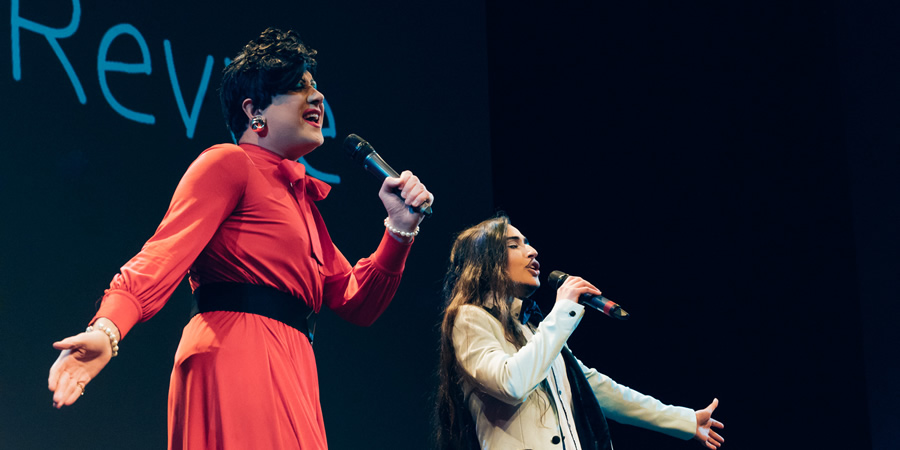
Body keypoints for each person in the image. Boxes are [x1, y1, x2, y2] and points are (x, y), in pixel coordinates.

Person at [47, 27, 433, 449]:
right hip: (237, 353)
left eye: (316, 86)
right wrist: (107, 330)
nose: (317, 97)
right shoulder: (230, 163)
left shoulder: (301, 201)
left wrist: (400, 229)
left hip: (293, 363)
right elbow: (161, 256)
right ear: (254, 111)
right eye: (299, 87)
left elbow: (358, 302)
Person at [435, 216, 723, 450]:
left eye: (528, 243)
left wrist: (682, 419)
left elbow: (595, 387)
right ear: (486, 262)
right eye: (514, 245)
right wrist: (562, 311)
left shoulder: (534, 328)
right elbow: (512, 384)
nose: (532, 251)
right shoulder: (469, 318)